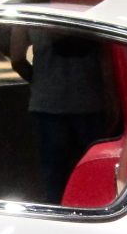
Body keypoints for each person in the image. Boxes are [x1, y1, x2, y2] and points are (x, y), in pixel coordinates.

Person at [9, 24, 108, 205]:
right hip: (90, 101)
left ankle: (59, 219)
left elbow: (16, 59)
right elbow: (107, 58)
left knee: (54, 176)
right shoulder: (88, 9)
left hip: (47, 104)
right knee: (95, 172)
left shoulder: (31, 12)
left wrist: (39, 81)